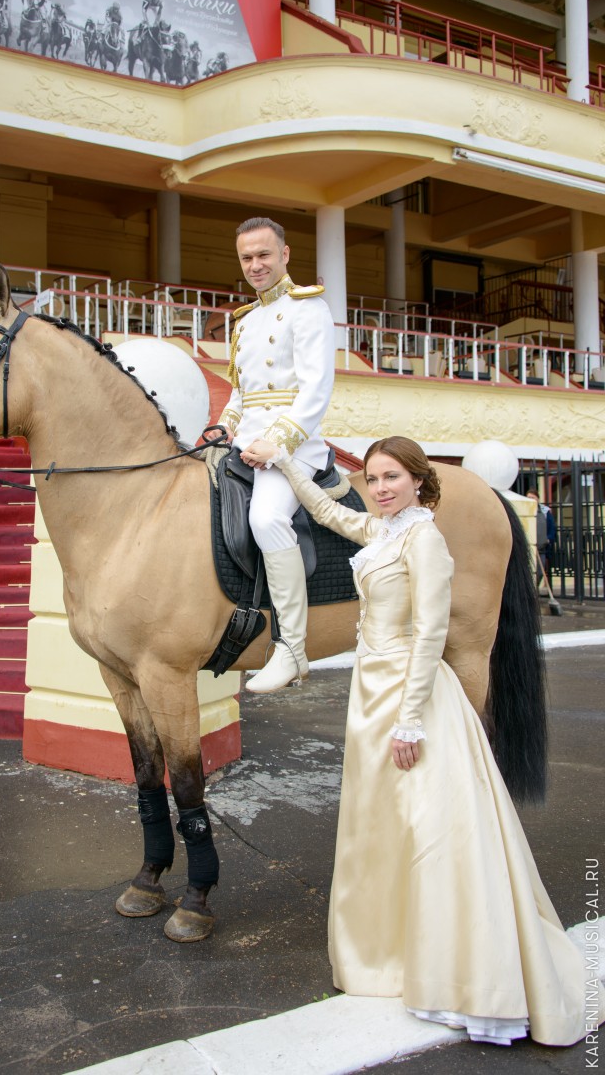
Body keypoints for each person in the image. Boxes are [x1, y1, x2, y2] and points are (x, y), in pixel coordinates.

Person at [240, 433, 604, 1046]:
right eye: (374, 478)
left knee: (432, 827)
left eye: (392, 478)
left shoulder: (424, 538)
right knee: (384, 824)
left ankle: (459, 969)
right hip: (371, 690)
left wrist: (410, 720)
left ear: (418, 482)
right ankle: (393, 947)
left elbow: (433, 631)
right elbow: (328, 512)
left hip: (409, 692)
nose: (380, 489)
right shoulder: (380, 530)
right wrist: (282, 464)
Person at [204, 217, 335, 693]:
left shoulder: (309, 309)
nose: (255, 265)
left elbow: (317, 389)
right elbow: (241, 394)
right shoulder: (246, 319)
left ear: (284, 254)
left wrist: (277, 443)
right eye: (246, 258)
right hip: (246, 441)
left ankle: (292, 649)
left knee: (266, 519)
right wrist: (223, 427)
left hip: (294, 446)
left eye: (263, 255)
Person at [527, 488, 556, 587]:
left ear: (538, 499)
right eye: (529, 498)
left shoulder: (545, 511)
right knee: (529, 572)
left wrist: (548, 539)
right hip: (528, 547)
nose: (531, 500)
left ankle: (535, 590)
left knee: (540, 571)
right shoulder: (524, 510)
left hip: (541, 547)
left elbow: (552, 527)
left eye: (533, 498)